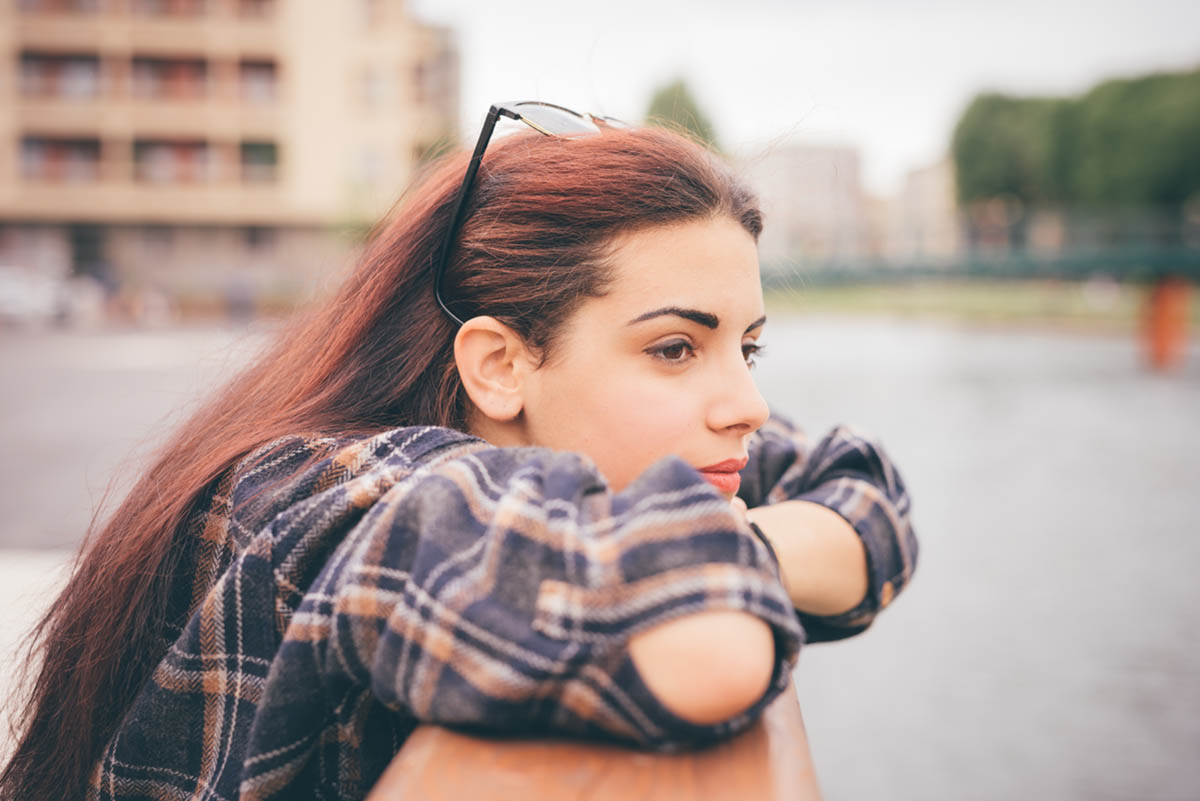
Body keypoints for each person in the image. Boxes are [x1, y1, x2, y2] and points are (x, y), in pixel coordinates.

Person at [0, 104, 918, 801]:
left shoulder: (631, 445)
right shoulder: (355, 494)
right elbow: (704, 652)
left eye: (747, 348)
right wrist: (734, 552)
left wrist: (722, 546)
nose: (748, 405)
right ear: (499, 365)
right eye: (675, 348)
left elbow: (867, 496)